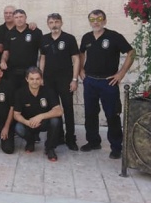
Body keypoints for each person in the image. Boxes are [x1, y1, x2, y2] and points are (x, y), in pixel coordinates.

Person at [79, 9, 135, 159]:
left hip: (108, 82)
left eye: (99, 19)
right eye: (92, 19)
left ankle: (116, 147)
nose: (96, 22)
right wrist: (80, 70)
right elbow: (81, 53)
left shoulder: (114, 36)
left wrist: (121, 73)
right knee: (90, 114)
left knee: (112, 115)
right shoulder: (86, 37)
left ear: (105, 21)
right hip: (90, 81)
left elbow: (131, 52)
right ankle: (93, 141)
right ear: (89, 21)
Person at [39, 13, 80, 151]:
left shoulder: (69, 38)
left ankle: (70, 138)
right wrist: (41, 77)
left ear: (61, 23)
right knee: (54, 109)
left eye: (56, 22)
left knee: (68, 109)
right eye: (51, 22)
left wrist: (74, 79)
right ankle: (58, 137)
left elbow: (76, 59)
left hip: (66, 80)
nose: (54, 24)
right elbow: (42, 59)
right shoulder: (44, 39)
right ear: (48, 24)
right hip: (49, 80)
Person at [13, 67, 63, 161]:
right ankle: (30, 142)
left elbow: (59, 111)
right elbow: (16, 114)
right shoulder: (20, 93)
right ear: (27, 79)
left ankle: (50, 148)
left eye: (37, 79)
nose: (35, 81)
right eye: (32, 79)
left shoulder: (48, 91)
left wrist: (40, 116)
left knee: (55, 121)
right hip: (28, 123)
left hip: (43, 122)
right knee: (18, 127)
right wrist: (27, 122)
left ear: (41, 79)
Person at [0, 9, 43, 92]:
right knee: (13, 96)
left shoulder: (35, 32)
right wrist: (3, 61)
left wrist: (40, 71)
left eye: (21, 17)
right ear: (13, 19)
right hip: (13, 72)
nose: (19, 19)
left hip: (30, 72)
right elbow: (6, 51)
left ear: (26, 17)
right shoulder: (9, 33)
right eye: (16, 17)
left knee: (29, 96)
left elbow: (42, 53)